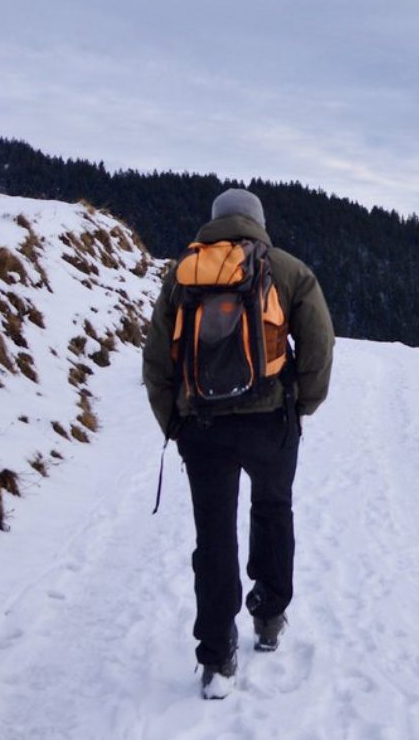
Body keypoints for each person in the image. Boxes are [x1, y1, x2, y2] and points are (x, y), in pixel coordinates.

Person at [142, 187, 333, 698]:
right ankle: (269, 618)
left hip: (203, 427)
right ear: (258, 222)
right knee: (273, 511)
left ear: (215, 223)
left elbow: (157, 359)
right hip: (271, 422)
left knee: (214, 533)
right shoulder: (289, 270)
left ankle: (216, 657)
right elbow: (319, 344)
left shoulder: (183, 272)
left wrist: (174, 422)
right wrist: (301, 405)